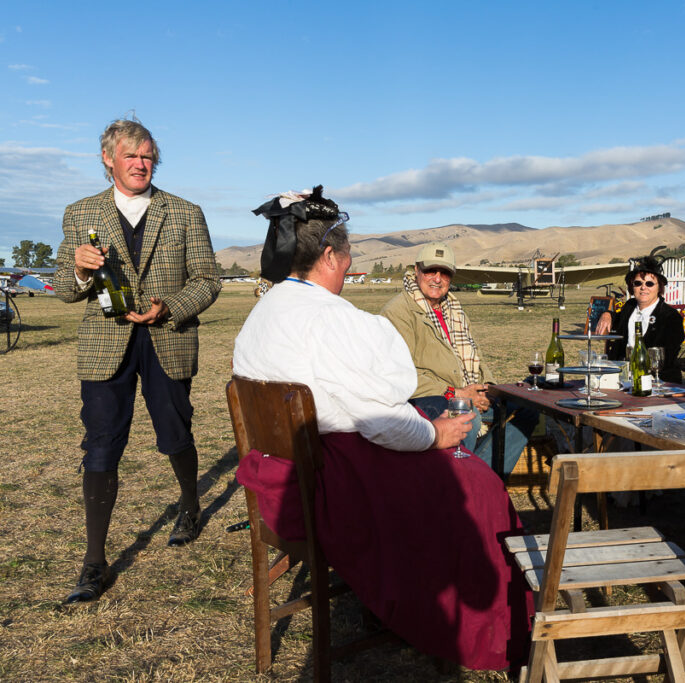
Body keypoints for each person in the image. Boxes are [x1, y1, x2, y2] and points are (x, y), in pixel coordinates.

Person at [232, 188, 532, 671]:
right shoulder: (335, 319)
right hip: (334, 480)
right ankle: (485, 623)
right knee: (478, 487)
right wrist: (434, 436)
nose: (350, 267)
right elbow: (380, 418)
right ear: (330, 255)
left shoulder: (263, 312)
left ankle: (409, 594)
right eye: (348, 256)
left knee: (457, 475)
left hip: (283, 474)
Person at [52, 118, 221, 603]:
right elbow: (64, 289)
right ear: (108, 159)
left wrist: (168, 306)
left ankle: (190, 507)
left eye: (147, 156)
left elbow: (207, 281)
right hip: (105, 346)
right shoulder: (80, 212)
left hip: (166, 337)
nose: (141, 164)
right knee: (101, 446)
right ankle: (93, 562)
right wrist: (81, 270)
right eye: (131, 156)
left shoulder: (185, 212)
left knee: (176, 435)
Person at [380, 242, 538, 475]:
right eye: (430, 271)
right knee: (465, 416)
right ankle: (471, 484)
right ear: (416, 271)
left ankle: (482, 478)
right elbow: (402, 374)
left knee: (529, 408)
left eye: (444, 273)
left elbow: (476, 356)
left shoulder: (453, 308)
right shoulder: (398, 312)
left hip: (466, 391)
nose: (437, 278)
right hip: (427, 397)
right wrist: (458, 394)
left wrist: (488, 389)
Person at [594, 249, 685, 382]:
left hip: (658, 380)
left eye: (649, 283)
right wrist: (607, 314)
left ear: (659, 287)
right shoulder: (630, 307)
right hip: (624, 378)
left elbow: (667, 358)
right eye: (638, 283)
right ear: (632, 287)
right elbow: (617, 319)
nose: (643, 288)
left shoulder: (670, 316)